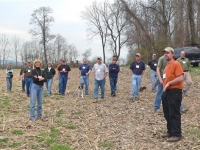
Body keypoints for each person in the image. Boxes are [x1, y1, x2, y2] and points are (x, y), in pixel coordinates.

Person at [161, 47, 184, 142]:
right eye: (165, 53)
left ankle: (177, 134)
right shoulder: (167, 66)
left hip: (175, 92)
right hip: (167, 92)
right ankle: (170, 131)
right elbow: (165, 78)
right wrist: (164, 85)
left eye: (168, 53)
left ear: (172, 54)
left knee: (174, 113)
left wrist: (169, 83)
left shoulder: (176, 64)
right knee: (167, 113)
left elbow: (180, 78)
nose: (166, 54)